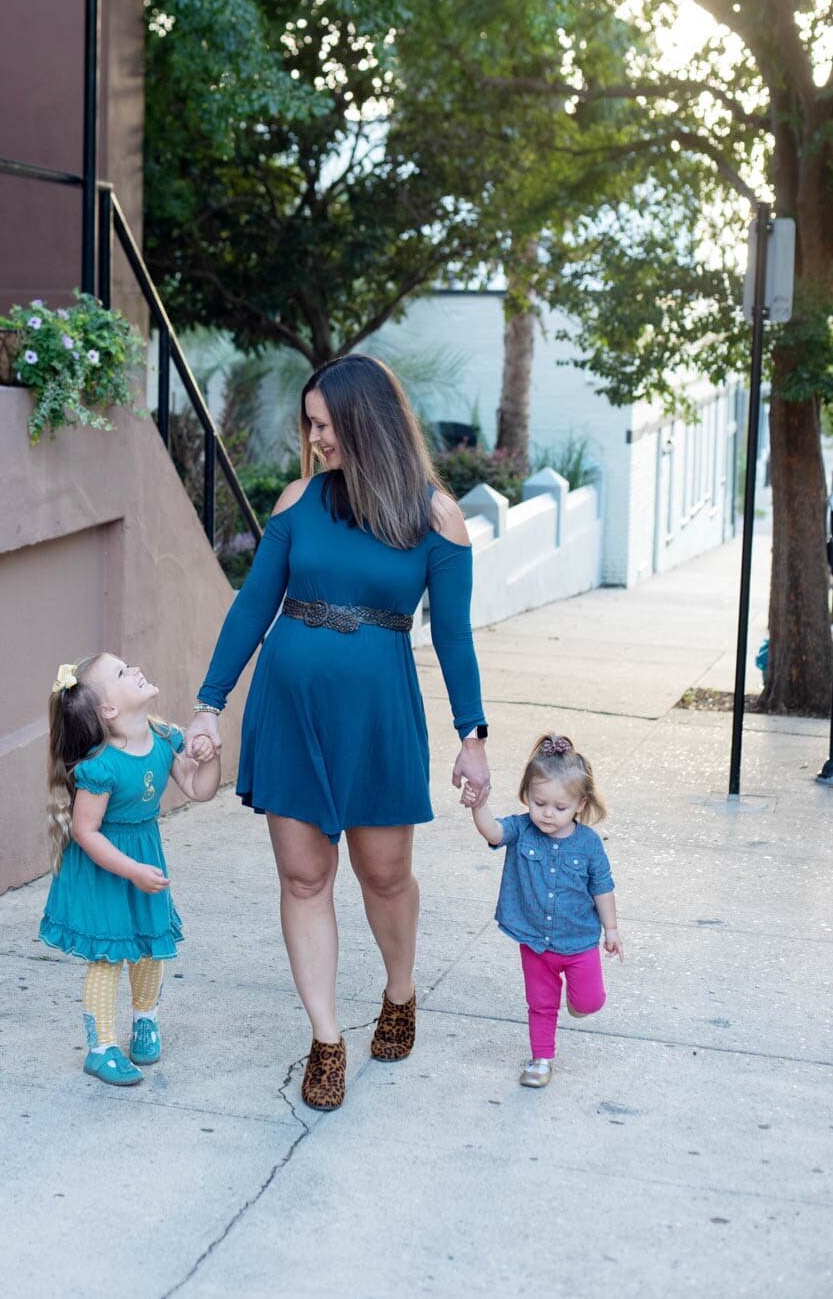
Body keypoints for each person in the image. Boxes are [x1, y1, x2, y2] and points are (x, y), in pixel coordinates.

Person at [185, 354, 490, 1110]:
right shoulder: (297, 501)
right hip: (288, 710)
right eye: (309, 424)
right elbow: (252, 606)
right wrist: (208, 703)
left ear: (363, 421)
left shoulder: (433, 517)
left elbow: (452, 637)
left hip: (379, 717)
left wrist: (472, 732)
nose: (314, 438)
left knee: (383, 873)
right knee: (302, 877)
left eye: (323, 424)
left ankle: (400, 989)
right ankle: (325, 1038)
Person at [40, 653, 220, 1085]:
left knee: (148, 945)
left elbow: (198, 789)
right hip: (107, 865)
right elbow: (87, 832)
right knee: (109, 955)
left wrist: (210, 757)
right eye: (122, 673)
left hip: (143, 857)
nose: (136, 669)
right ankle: (101, 1048)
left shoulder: (162, 738)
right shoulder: (101, 767)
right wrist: (132, 870)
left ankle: (145, 1020)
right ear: (109, 710)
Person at [463, 732, 623, 1089]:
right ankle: (540, 1059)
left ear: (580, 804)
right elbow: (492, 832)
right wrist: (478, 804)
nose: (547, 814)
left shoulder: (589, 844)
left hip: (579, 941)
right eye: (539, 803)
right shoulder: (522, 830)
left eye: (560, 807)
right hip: (535, 941)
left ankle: (578, 1003)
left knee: (589, 1002)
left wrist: (611, 930)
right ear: (528, 797)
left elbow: (602, 886)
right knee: (540, 1003)